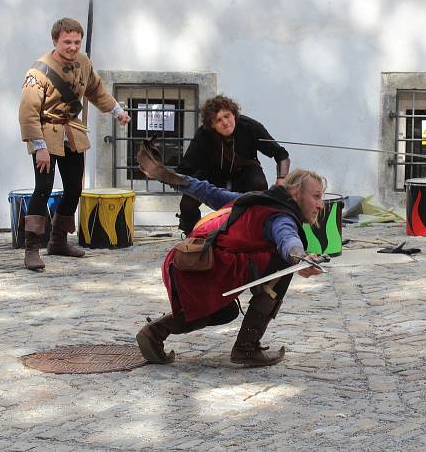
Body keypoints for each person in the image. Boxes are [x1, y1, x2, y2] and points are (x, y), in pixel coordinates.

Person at [135, 142, 324, 367]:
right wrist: (299, 258)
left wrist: (166, 175)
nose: (320, 204)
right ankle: (247, 348)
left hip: (187, 265)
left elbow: (205, 190)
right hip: (203, 267)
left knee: (224, 312)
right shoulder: (279, 216)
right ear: (295, 192)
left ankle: (154, 333)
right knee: (282, 265)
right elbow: (287, 240)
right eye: (316, 196)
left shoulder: (253, 200)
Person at [18, 18, 131, 271]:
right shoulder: (37, 73)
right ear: (55, 41)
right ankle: (32, 248)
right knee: (43, 188)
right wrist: (40, 147)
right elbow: (28, 112)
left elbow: (96, 90)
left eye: (76, 42)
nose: (72, 47)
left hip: (72, 131)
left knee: (73, 189)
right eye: (67, 42)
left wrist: (117, 112)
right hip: (46, 132)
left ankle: (58, 241)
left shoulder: (83, 62)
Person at [176, 94, 291, 235]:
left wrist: (282, 179)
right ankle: (192, 237)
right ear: (211, 124)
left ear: (234, 114)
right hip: (212, 175)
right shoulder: (203, 135)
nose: (225, 122)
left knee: (259, 184)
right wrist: (177, 180)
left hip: (245, 173)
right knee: (187, 203)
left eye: (227, 116)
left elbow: (281, 154)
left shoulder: (250, 127)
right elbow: (186, 168)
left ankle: (257, 233)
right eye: (218, 120)